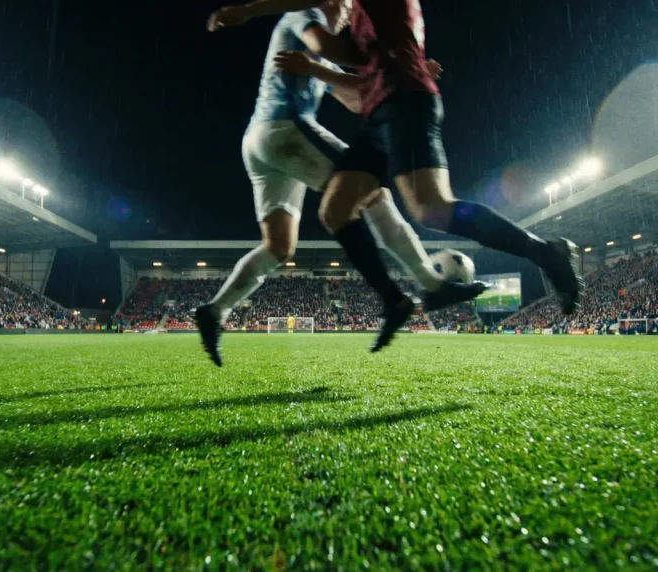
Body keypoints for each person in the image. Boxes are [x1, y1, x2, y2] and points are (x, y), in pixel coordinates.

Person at [208, 0, 582, 353]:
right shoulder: (318, 19)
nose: (347, 14)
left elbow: (353, 64)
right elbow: (356, 72)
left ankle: (542, 253)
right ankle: (399, 298)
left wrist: (260, 21)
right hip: (371, 106)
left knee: (424, 208)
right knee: (342, 209)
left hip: (403, 97)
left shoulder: (325, 30)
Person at [197, 0, 484, 366]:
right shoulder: (306, 17)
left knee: (279, 247)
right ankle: (430, 284)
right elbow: (329, 52)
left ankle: (214, 311)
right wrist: (398, 66)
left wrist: (404, 74)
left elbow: (356, 97)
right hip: (285, 128)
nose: (349, 15)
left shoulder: (317, 49)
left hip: (261, 143)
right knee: (372, 190)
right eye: (346, 7)